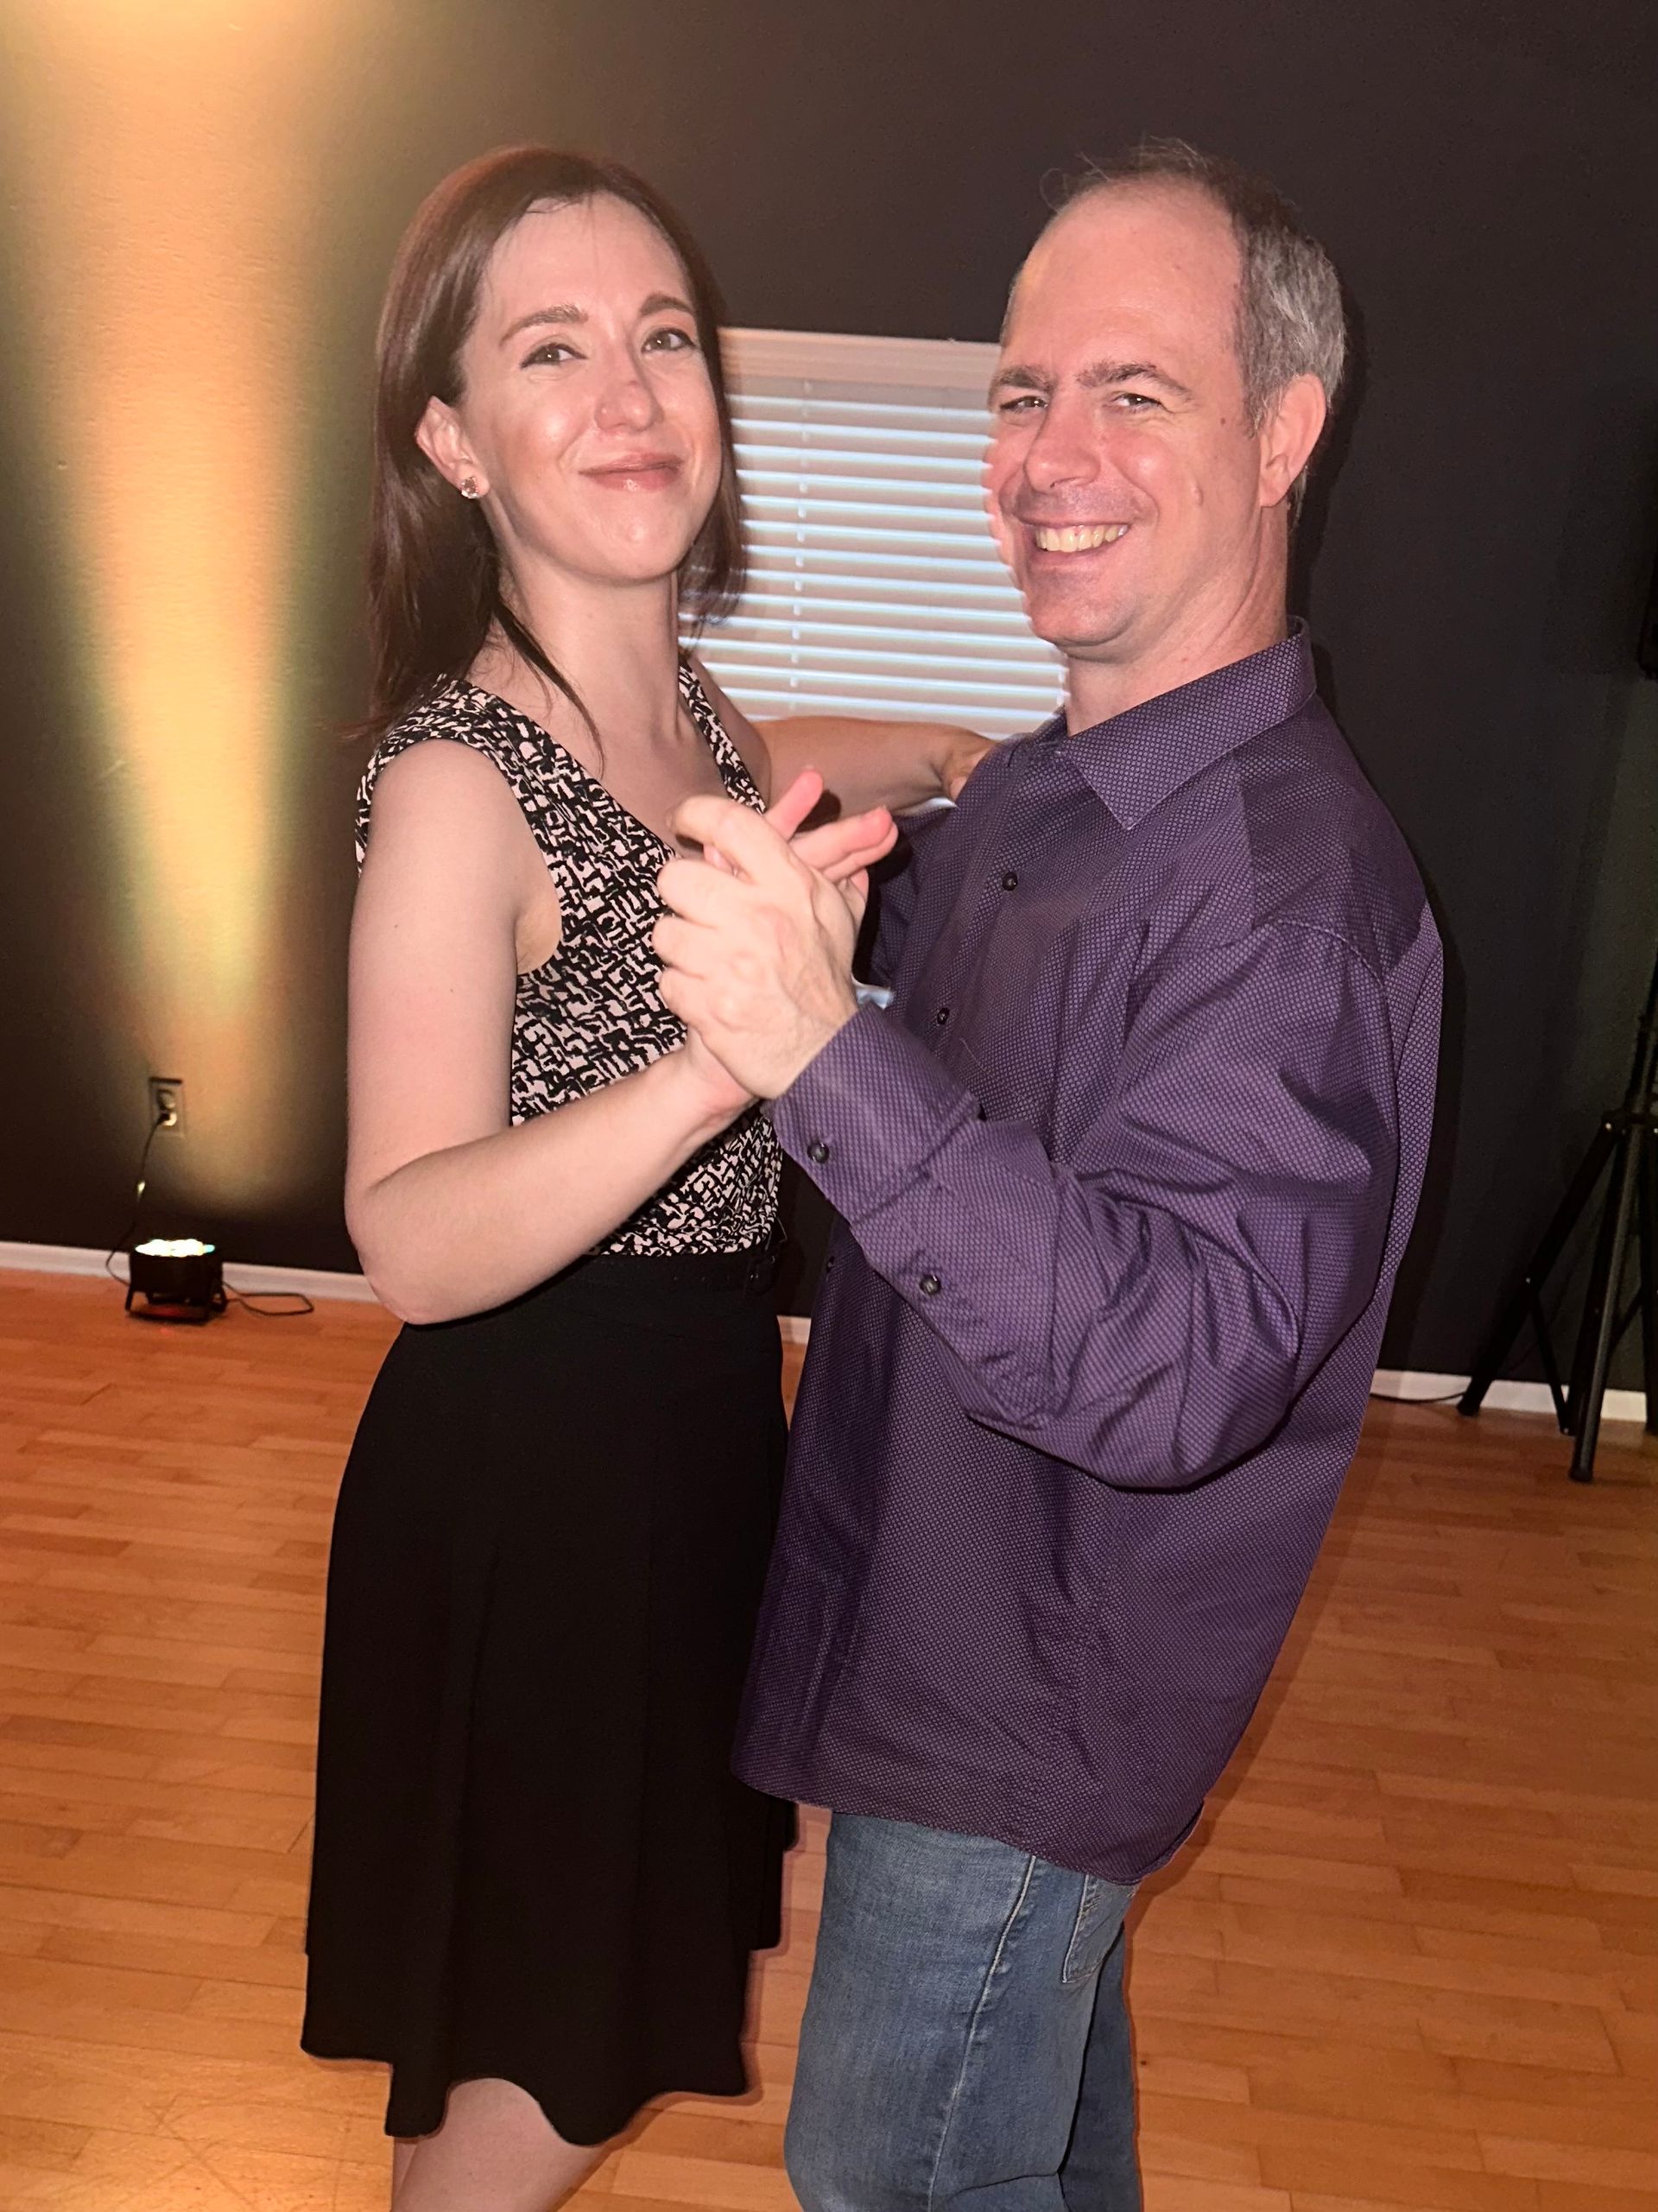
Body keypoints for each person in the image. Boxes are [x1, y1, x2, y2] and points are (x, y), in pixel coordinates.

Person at [653, 141, 1444, 2208]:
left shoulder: (1284, 897)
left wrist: (818, 1048)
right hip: (949, 1610)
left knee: (888, 2176)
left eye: (1134, 393)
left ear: (1285, 434)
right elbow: (920, 958)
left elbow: (1174, 1361)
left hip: (1029, 1702)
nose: (1048, 454)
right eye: (1020, 392)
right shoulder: (1065, 798)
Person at [300, 144, 987, 2212]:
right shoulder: (450, 779)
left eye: (665, 338)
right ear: (455, 437)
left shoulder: (675, 701)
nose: (631, 391)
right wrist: (729, 1059)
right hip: (539, 1483)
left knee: (543, 2018)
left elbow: (777, 751)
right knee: (556, 2056)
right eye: (553, 350)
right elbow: (409, 1233)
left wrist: (965, 760)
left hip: (688, 1444)